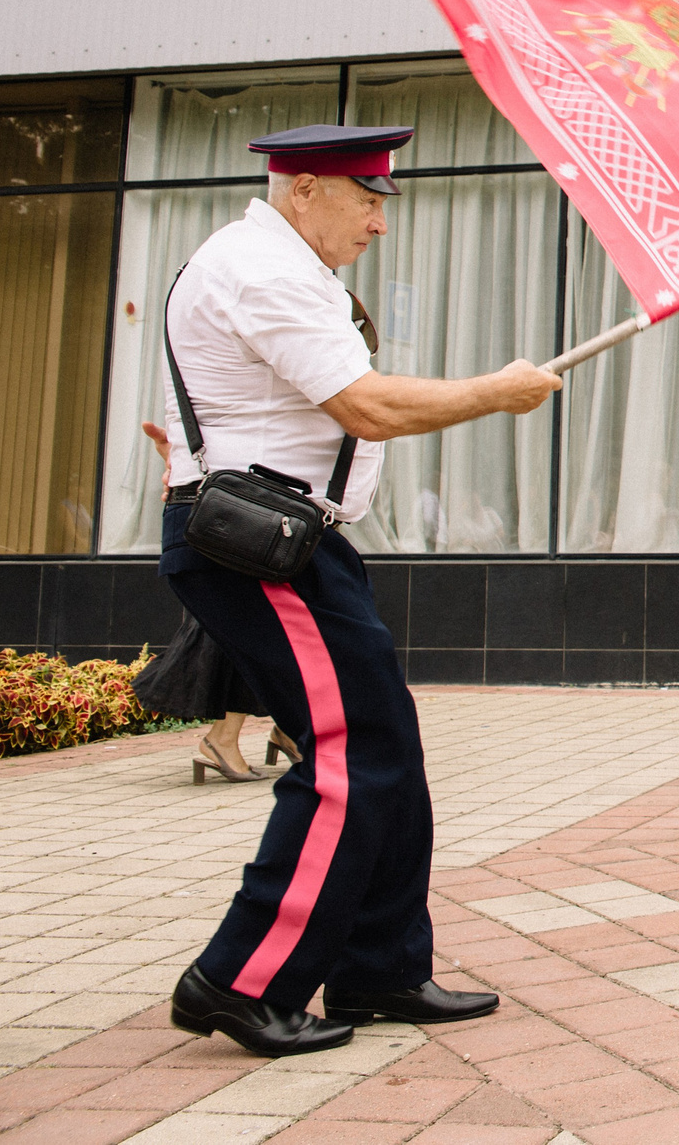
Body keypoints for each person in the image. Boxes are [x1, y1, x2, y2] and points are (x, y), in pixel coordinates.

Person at [162, 124, 561, 1056]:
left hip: (292, 545)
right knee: (350, 754)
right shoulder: (262, 268)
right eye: (367, 197)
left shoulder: (281, 263)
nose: (381, 222)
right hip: (259, 550)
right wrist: (494, 391)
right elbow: (366, 402)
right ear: (304, 189)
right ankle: (238, 979)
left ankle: (381, 967)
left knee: (385, 745)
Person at [134, 422, 301, 784]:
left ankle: (288, 730)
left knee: (269, 626)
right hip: (252, 506)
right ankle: (227, 739)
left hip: (279, 506)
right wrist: (182, 463)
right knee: (252, 625)